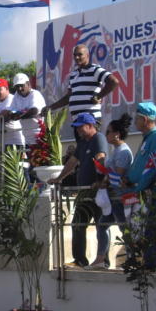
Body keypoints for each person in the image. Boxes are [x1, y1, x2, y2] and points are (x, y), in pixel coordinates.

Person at [51, 113, 109, 268]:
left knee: (101, 225)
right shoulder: (83, 143)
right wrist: (59, 178)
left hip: (96, 191)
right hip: (84, 191)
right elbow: (72, 161)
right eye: (76, 128)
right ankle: (80, 260)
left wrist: (100, 179)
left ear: (90, 126)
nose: (78, 131)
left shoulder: (98, 138)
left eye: (80, 128)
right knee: (78, 223)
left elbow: (101, 158)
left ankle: (103, 260)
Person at [124, 102, 156, 267]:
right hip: (140, 190)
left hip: (149, 191)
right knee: (142, 227)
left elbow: (151, 168)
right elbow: (140, 164)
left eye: (137, 119)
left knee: (154, 226)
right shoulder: (147, 138)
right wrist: (129, 179)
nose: (135, 123)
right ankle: (147, 260)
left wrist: (139, 188)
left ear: (144, 119)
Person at [41, 44, 118, 134]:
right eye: (75, 55)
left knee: (92, 147)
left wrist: (99, 96)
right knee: (83, 147)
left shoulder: (95, 70)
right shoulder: (74, 74)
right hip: (77, 122)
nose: (77, 57)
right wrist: (51, 108)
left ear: (87, 55)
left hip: (90, 121)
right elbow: (68, 97)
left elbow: (114, 81)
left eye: (80, 54)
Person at [95, 113, 134, 267]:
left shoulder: (123, 152)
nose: (106, 135)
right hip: (113, 197)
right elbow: (110, 173)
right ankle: (101, 259)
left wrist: (106, 180)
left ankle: (133, 257)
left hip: (120, 197)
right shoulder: (116, 150)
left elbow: (118, 174)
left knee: (124, 228)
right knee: (103, 225)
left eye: (109, 132)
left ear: (117, 134)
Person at [10, 72, 47, 149]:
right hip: (27, 138)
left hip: (40, 136)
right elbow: (11, 111)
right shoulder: (17, 96)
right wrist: (13, 114)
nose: (19, 89)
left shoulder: (35, 94)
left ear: (28, 84)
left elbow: (34, 110)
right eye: (17, 87)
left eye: (21, 86)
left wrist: (20, 116)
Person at [0, 78, 24, 150]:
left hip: (15, 143)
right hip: (2, 145)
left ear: (7, 89)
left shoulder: (12, 99)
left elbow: (4, 114)